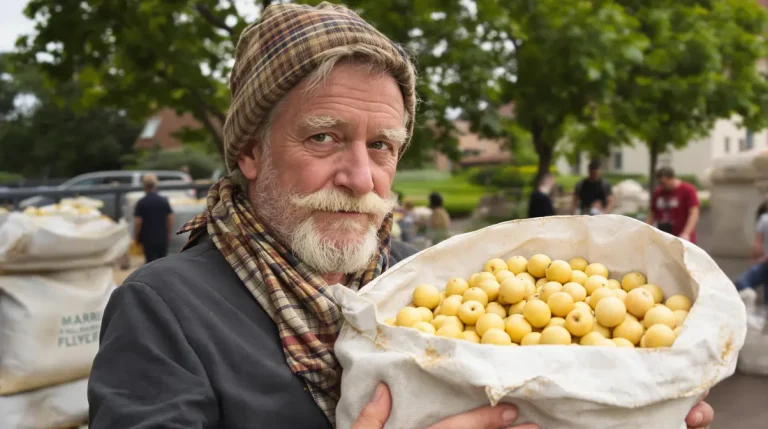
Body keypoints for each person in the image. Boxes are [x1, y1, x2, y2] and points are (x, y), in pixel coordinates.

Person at [87, 4, 713, 429]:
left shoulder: (421, 284)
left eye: (382, 145)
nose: (361, 178)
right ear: (251, 152)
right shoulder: (164, 310)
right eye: (324, 137)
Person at [647, 167, 700, 242]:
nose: (663, 185)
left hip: (682, 237)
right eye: (660, 183)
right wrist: (645, 229)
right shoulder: (658, 192)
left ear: (672, 178)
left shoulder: (687, 190)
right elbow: (652, 213)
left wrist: (686, 233)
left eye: (665, 183)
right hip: (664, 237)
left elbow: (694, 213)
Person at [132, 173, 174, 263]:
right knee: (162, 262)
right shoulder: (164, 201)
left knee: (150, 263)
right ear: (155, 185)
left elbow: (138, 222)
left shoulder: (141, 202)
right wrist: (169, 234)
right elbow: (170, 218)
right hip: (162, 237)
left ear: (144, 186)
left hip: (148, 239)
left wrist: (136, 237)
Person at [735, 205, 768, 303]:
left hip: (764, 263)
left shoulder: (764, 219)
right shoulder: (764, 219)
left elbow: (757, 245)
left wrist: (756, 260)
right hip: (765, 263)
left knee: (742, 283)